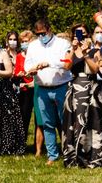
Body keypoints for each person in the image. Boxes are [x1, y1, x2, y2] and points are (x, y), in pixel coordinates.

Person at [61, 23, 102, 168]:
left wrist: (85, 54)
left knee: (92, 121)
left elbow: (96, 69)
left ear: (88, 34)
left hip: (91, 88)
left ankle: (92, 156)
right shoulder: (69, 50)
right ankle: (74, 156)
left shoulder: (95, 51)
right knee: (75, 122)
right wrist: (73, 48)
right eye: (77, 33)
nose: (81, 36)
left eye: (83, 33)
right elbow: (66, 67)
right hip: (75, 88)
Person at [23, 19, 71, 165]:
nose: (41, 36)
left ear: (49, 30)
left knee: (65, 122)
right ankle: (52, 155)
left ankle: (68, 152)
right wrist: (31, 69)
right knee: (47, 124)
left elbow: (67, 64)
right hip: (42, 88)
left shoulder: (62, 44)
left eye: (43, 33)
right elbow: (27, 64)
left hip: (61, 86)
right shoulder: (33, 46)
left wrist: (50, 63)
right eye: (38, 34)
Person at [14, 30, 38, 153]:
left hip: (37, 88)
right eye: (22, 42)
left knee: (39, 119)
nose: (24, 44)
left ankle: (38, 146)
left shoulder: (37, 55)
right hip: (24, 90)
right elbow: (16, 72)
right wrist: (19, 74)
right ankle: (21, 145)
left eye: (26, 41)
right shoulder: (19, 56)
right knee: (24, 117)